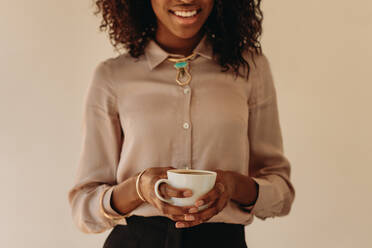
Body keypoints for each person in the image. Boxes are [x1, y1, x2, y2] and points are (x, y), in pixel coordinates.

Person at [68, 0, 295, 247]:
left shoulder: (251, 70)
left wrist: (233, 185)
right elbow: (84, 206)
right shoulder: (111, 77)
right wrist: (139, 189)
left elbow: (280, 192)